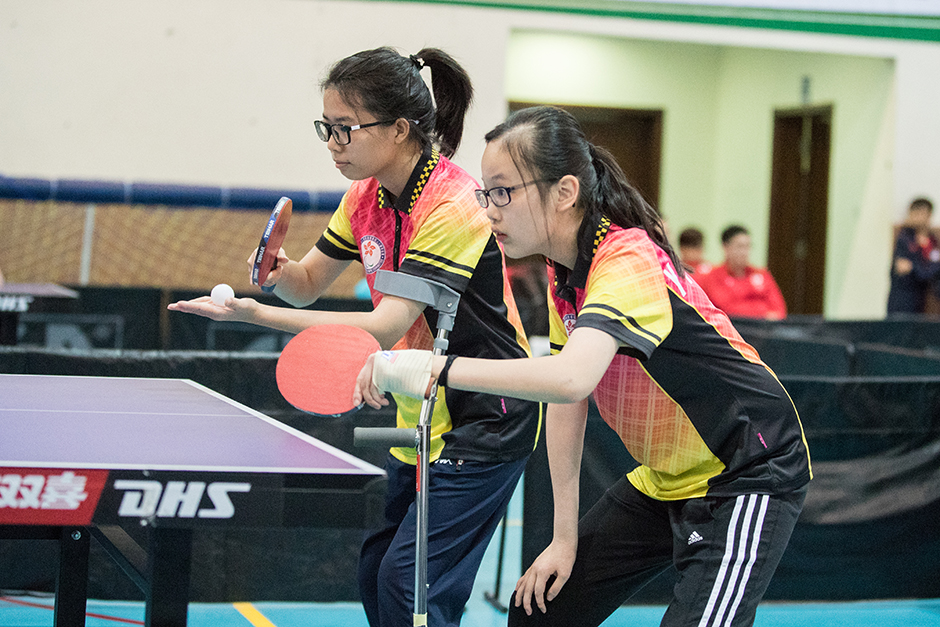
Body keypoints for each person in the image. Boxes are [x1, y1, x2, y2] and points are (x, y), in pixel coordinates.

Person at [356, 106, 812, 627]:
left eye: (504, 192)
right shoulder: (566, 272)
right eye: (486, 193)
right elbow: (565, 399)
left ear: (565, 192)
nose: (489, 211)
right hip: (667, 477)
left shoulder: (627, 260)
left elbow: (573, 376)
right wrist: (564, 540)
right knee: (539, 614)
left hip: (747, 470)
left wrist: (436, 368)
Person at [169, 47, 540, 627]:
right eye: (327, 128)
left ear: (398, 129)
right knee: (376, 577)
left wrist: (255, 316)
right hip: (420, 403)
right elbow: (310, 284)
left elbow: (383, 325)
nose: (333, 143)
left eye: (345, 128)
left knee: (409, 588)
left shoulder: (454, 204)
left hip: (487, 414)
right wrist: (276, 274)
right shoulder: (364, 198)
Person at [696, 225, 787, 320]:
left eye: (748, 246)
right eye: (739, 246)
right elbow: (726, 309)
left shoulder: (761, 274)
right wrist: (762, 312)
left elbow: (779, 311)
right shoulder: (712, 277)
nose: (744, 252)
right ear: (725, 247)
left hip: (763, 330)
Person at [887, 197, 940, 314]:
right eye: (914, 213)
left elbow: (930, 269)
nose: (916, 217)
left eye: (920, 213)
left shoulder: (932, 241)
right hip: (902, 302)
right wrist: (926, 269)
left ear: (928, 215)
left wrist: (915, 268)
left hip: (921, 301)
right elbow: (903, 268)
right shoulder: (904, 239)